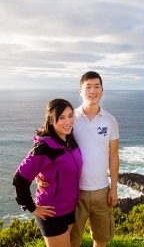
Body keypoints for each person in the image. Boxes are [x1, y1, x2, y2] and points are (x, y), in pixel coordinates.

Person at [37, 71, 119, 247]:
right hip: (75, 192)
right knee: (74, 241)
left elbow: (113, 155)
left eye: (96, 86)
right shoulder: (70, 119)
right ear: (80, 91)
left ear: (102, 90)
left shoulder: (111, 121)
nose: (92, 90)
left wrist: (114, 188)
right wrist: (39, 173)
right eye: (88, 87)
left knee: (101, 240)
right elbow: (49, 143)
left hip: (102, 190)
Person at [13, 98, 83, 247]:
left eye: (70, 116)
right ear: (51, 121)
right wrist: (32, 207)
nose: (68, 121)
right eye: (61, 117)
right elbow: (20, 178)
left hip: (69, 209)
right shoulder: (45, 147)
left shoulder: (70, 140)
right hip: (52, 213)